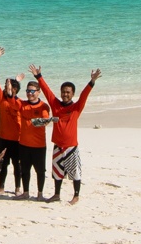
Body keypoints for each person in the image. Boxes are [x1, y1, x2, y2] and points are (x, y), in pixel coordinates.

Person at [35, 65, 99, 203]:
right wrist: (39, 77)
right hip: (58, 146)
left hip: (71, 146)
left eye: (68, 92)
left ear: (72, 94)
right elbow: (47, 92)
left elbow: (84, 95)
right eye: (63, 92)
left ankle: (76, 195)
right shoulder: (55, 105)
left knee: (75, 172)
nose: (65, 94)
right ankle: (57, 194)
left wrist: (91, 82)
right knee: (57, 173)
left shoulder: (76, 107)